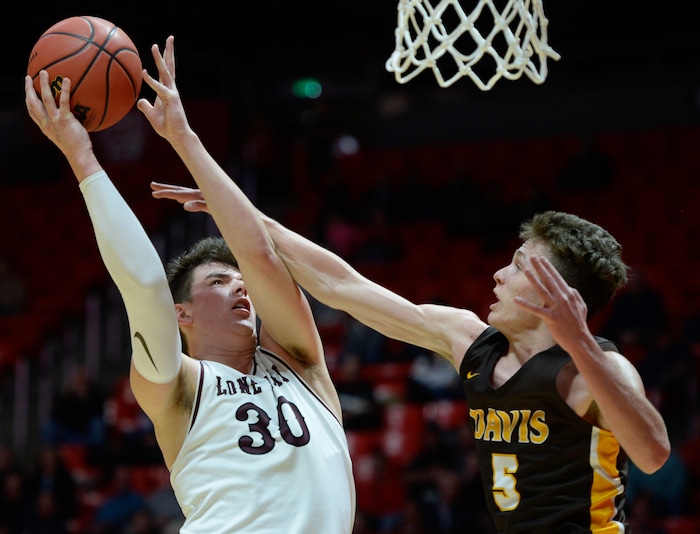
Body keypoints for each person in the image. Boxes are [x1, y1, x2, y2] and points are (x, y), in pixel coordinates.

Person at [152, 181, 671, 531]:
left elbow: (652, 453)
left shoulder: (596, 369)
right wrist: (240, 211)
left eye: (515, 265)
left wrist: (578, 339)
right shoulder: (469, 339)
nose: (498, 275)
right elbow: (340, 284)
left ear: (548, 288)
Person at [25, 35, 355, 533]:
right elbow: (143, 286)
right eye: (221, 282)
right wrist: (81, 155)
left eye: (241, 283)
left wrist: (185, 138)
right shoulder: (178, 387)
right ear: (183, 314)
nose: (242, 289)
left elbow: (263, 256)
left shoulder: (303, 365)